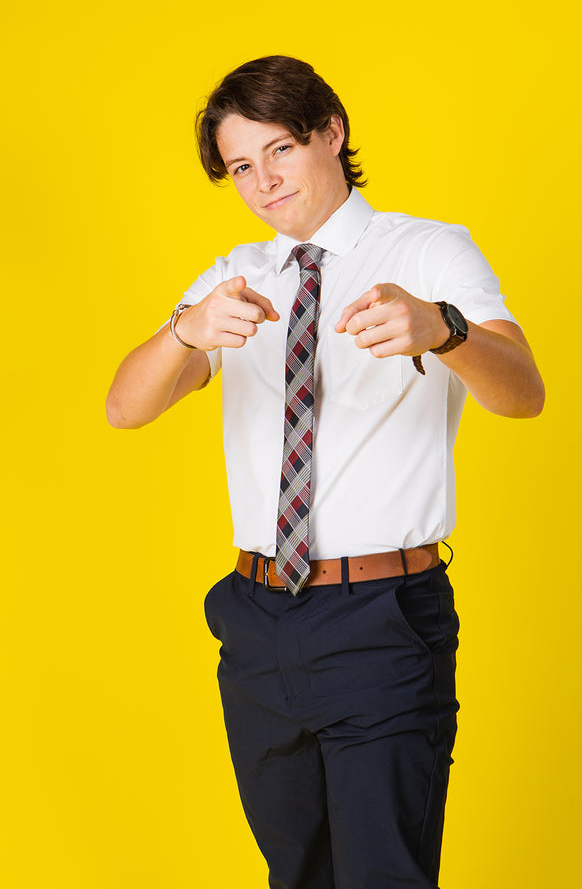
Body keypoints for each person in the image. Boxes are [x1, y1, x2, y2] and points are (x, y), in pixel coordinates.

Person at [106, 55, 544, 889]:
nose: (263, 182)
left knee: (382, 874)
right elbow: (125, 408)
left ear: (330, 133)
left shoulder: (427, 250)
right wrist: (184, 331)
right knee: (296, 874)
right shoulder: (235, 278)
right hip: (257, 621)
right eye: (240, 167)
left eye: (278, 150)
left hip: (380, 618)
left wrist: (444, 329)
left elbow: (523, 394)